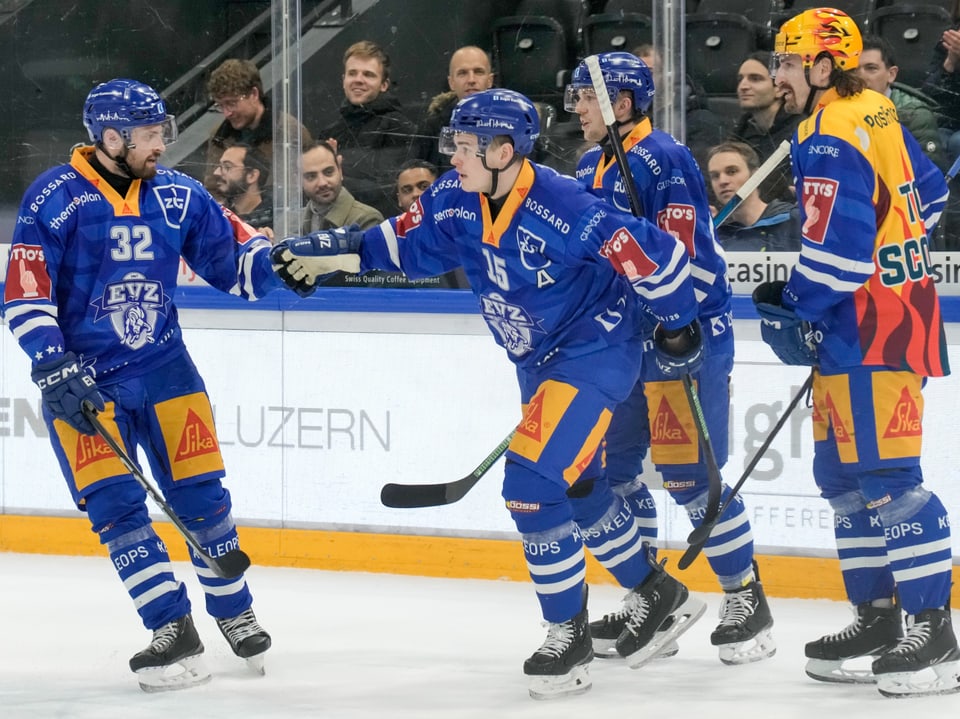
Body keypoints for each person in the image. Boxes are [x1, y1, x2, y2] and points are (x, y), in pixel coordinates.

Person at [271, 88, 705, 699]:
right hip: (535, 359)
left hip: (592, 353)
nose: (454, 156)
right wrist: (332, 253)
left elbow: (652, 254)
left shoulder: (564, 205)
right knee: (578, 486)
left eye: (467, 146)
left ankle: (568, 635)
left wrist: (679, 322)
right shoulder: (456, 197)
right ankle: (658, 593)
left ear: (504, 151)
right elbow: (401, 246)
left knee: (530, 485)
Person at [2, 79, 288, 692]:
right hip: (83, 387)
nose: (164, 143)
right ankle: (171, 627)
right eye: (151, 134)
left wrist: (284, 264)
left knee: (203, 498)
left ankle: (235, 613)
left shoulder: (180, 197)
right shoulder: (55, 198)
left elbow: (236, 268)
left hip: (167, 375)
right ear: (111, 137)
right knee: (115, 509)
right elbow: (25, 292)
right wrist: (52, 364)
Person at [759, 8, 958, 698]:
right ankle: (878, 616)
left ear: (820, 67)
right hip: (866, 321)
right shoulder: (874, 108)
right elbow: (930, 194)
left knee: (888, 479)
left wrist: (794, 303)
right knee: (842, 478)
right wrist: (894, 253)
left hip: (874, 328)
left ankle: (933, 628)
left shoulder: (828, 135)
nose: (777, 76)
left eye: (786, 63)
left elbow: (840, 259)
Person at [566, 52, 775, 666]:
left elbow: (678, 252)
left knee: (688, 477)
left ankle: (746, 597)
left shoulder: (664, 157)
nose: (576, 108)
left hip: (683, 334)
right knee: (614, 472)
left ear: (621, 103)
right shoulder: (588, 163)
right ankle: (653, 601)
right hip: (623, 337)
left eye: (585, 97)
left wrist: (675, 322)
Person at [319, 40, 418, 217]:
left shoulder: (400, 128)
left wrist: (336, 177)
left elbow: (388, 192)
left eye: (368, 74)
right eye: (352, 73)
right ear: (343, 80)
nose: (358, 80)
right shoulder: (329, 133)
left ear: (384, 85)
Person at [203, 58, 313, 202]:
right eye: (220, 106)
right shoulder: (218, 136)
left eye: (231, 103)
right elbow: (212, 190)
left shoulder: (290, 133)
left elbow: (288, 195)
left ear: (254, 94)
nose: (226, 113)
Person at [857, 35, 947, 171]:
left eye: (871, 68)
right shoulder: (836, 109)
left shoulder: (914, 116)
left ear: (891, 74)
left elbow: (929, 179)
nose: (861, 77)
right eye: (853, 70)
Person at [728, 51, 801, 203]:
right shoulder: (738, 133)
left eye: (755, 79)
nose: (743, 86)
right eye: (740, 79)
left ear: (779, 88)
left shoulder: (801, 130)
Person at [706, 142, 801, 252]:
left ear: (756, 175)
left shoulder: (795, 221)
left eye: (732, 171)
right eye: (715, 176)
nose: (722, 181)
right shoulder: (714, 237)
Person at [412, 45, 494, 172]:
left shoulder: (514, 123)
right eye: (462, 73)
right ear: (451, 83)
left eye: (478, 72)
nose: (471, 80)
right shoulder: (432, 127)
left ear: (490, 80)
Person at [299, 140, 383, 234]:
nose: (322, 183)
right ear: (299, 182)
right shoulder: (294, 221)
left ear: (340, 171)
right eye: (311, 176)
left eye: (328, 172)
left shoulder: (365, 219)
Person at [213, 142, 274, 235]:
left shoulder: (278, 218)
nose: (216, 172)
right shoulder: (218, 215)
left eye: (227, 167)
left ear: (252, 175)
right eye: (219, 166)